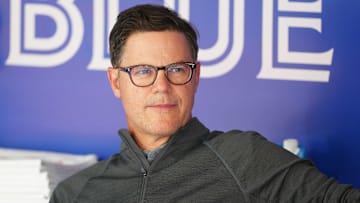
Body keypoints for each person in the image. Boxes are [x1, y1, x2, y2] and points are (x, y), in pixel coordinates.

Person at [50, 4, 360, 202]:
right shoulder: (75, 193)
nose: (162, 86)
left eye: (176, 69)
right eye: (143, 71)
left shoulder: (244, 157)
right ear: (116, 81)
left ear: (195, 77)